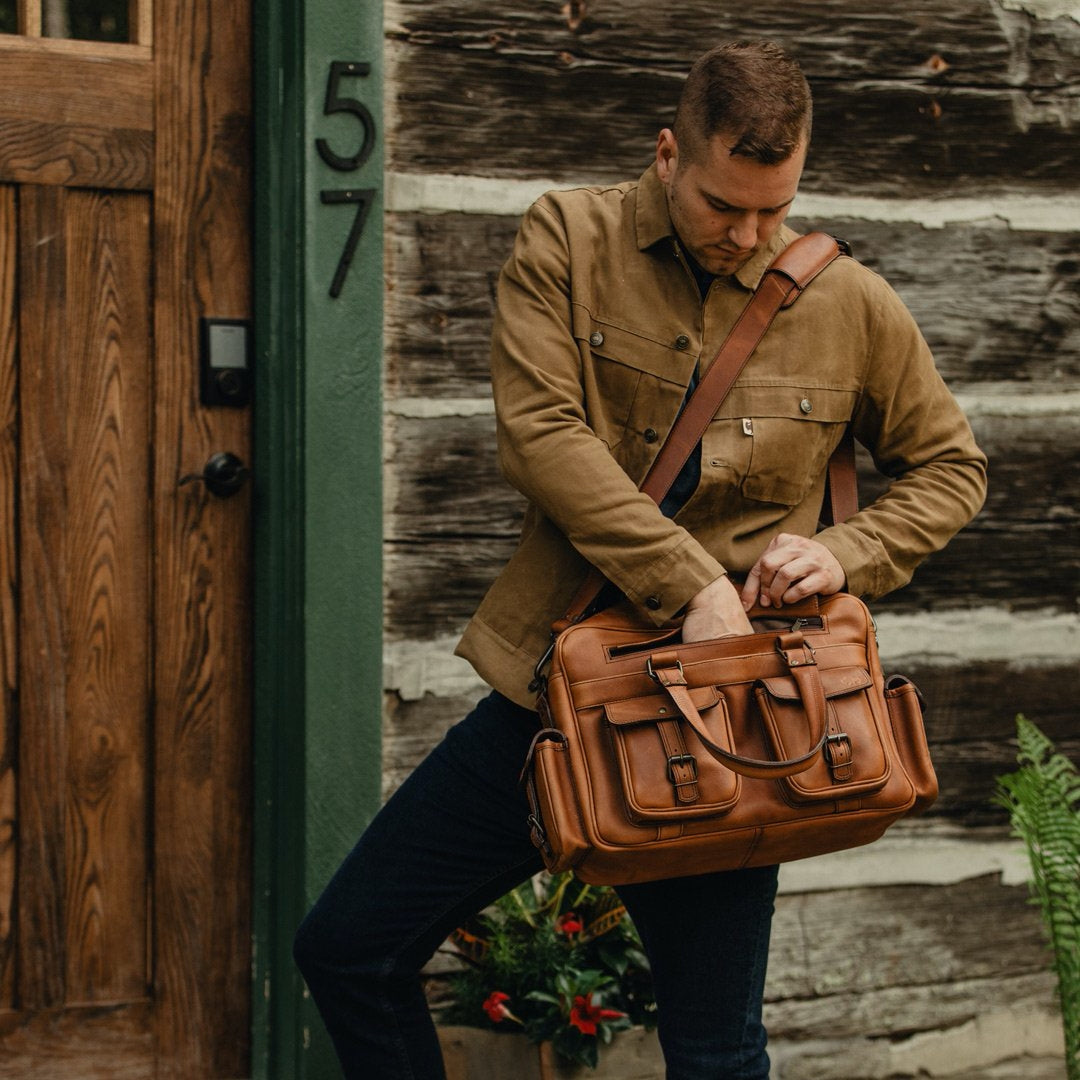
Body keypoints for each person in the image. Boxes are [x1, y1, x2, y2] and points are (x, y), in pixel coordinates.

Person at [294, 40, 987, 1079]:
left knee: (715, 1050)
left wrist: (847, 553)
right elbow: (542, 435)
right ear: (669, 152)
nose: (748, 235)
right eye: (724, 206)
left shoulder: (853, 305)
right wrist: (693, 583)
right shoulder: (567, 239)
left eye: (774, 208)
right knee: (349, 947)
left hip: (734, 724)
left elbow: (953, 468)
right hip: (563, 699)